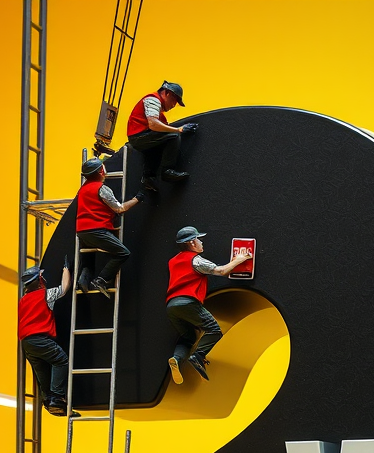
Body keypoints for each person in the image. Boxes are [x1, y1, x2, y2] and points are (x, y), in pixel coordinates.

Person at [165, 227, 251, 384]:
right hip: (188, 302)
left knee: (188, 336)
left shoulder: (173, 261)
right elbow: (221, 271)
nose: (201, 242)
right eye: (199, 239)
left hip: (172, 305)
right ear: (192, 243)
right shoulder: (195, 260)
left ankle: (177, 358)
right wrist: (239, 259)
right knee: (214, 330)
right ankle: (198, 356)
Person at [75, 157, 145, 298]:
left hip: (81, 231)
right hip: (97, 229)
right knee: (122, 253)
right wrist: (137, 198)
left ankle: (83, 279)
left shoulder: (82, 190)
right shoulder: (102, 189)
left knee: (88, 257)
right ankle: (101, 280)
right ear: (101, 171)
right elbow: (120, 209)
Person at [17, 262, 71, 416]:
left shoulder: (23, 300)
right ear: (39, 280)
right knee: (61, 360)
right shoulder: (45, 295)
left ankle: (47, 399)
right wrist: (66, 269)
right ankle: (57, 397)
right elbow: (64, 287)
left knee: (42, 372)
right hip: (40, 338)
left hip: (27, 343)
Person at [126, 81, 197, 190]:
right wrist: (179, 130)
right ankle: (167, 171)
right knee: (173, 136)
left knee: (156, 147)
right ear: (167, 93)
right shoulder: (153, 100)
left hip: (141, 138)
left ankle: (148, 179)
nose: (174, 105)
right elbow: (153, 124)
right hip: (138, 136)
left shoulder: (160, 114)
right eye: (174, 100)